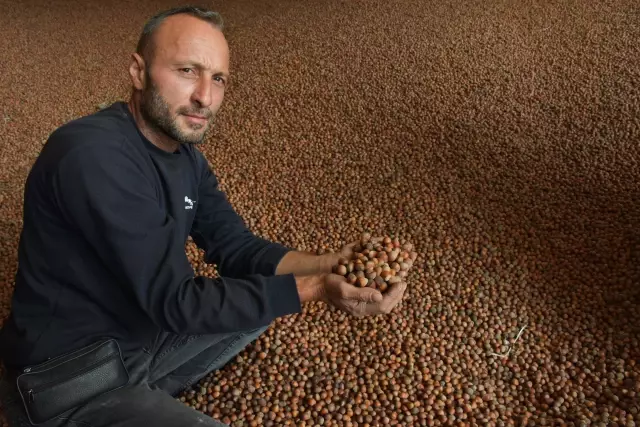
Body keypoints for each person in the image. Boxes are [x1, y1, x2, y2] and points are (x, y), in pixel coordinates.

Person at [0, 5, 406, 427]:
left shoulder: (186, 158)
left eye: (218, 79)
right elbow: (176, 302)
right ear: (138, 72)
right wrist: (317, 287)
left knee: (262, 301)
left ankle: (142, 399)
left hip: (139, 336)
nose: (205, 97)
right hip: (69, 376)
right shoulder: (92, 156)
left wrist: (334, 264)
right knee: (265, 297)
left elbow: (236, 247)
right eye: (187, 71)